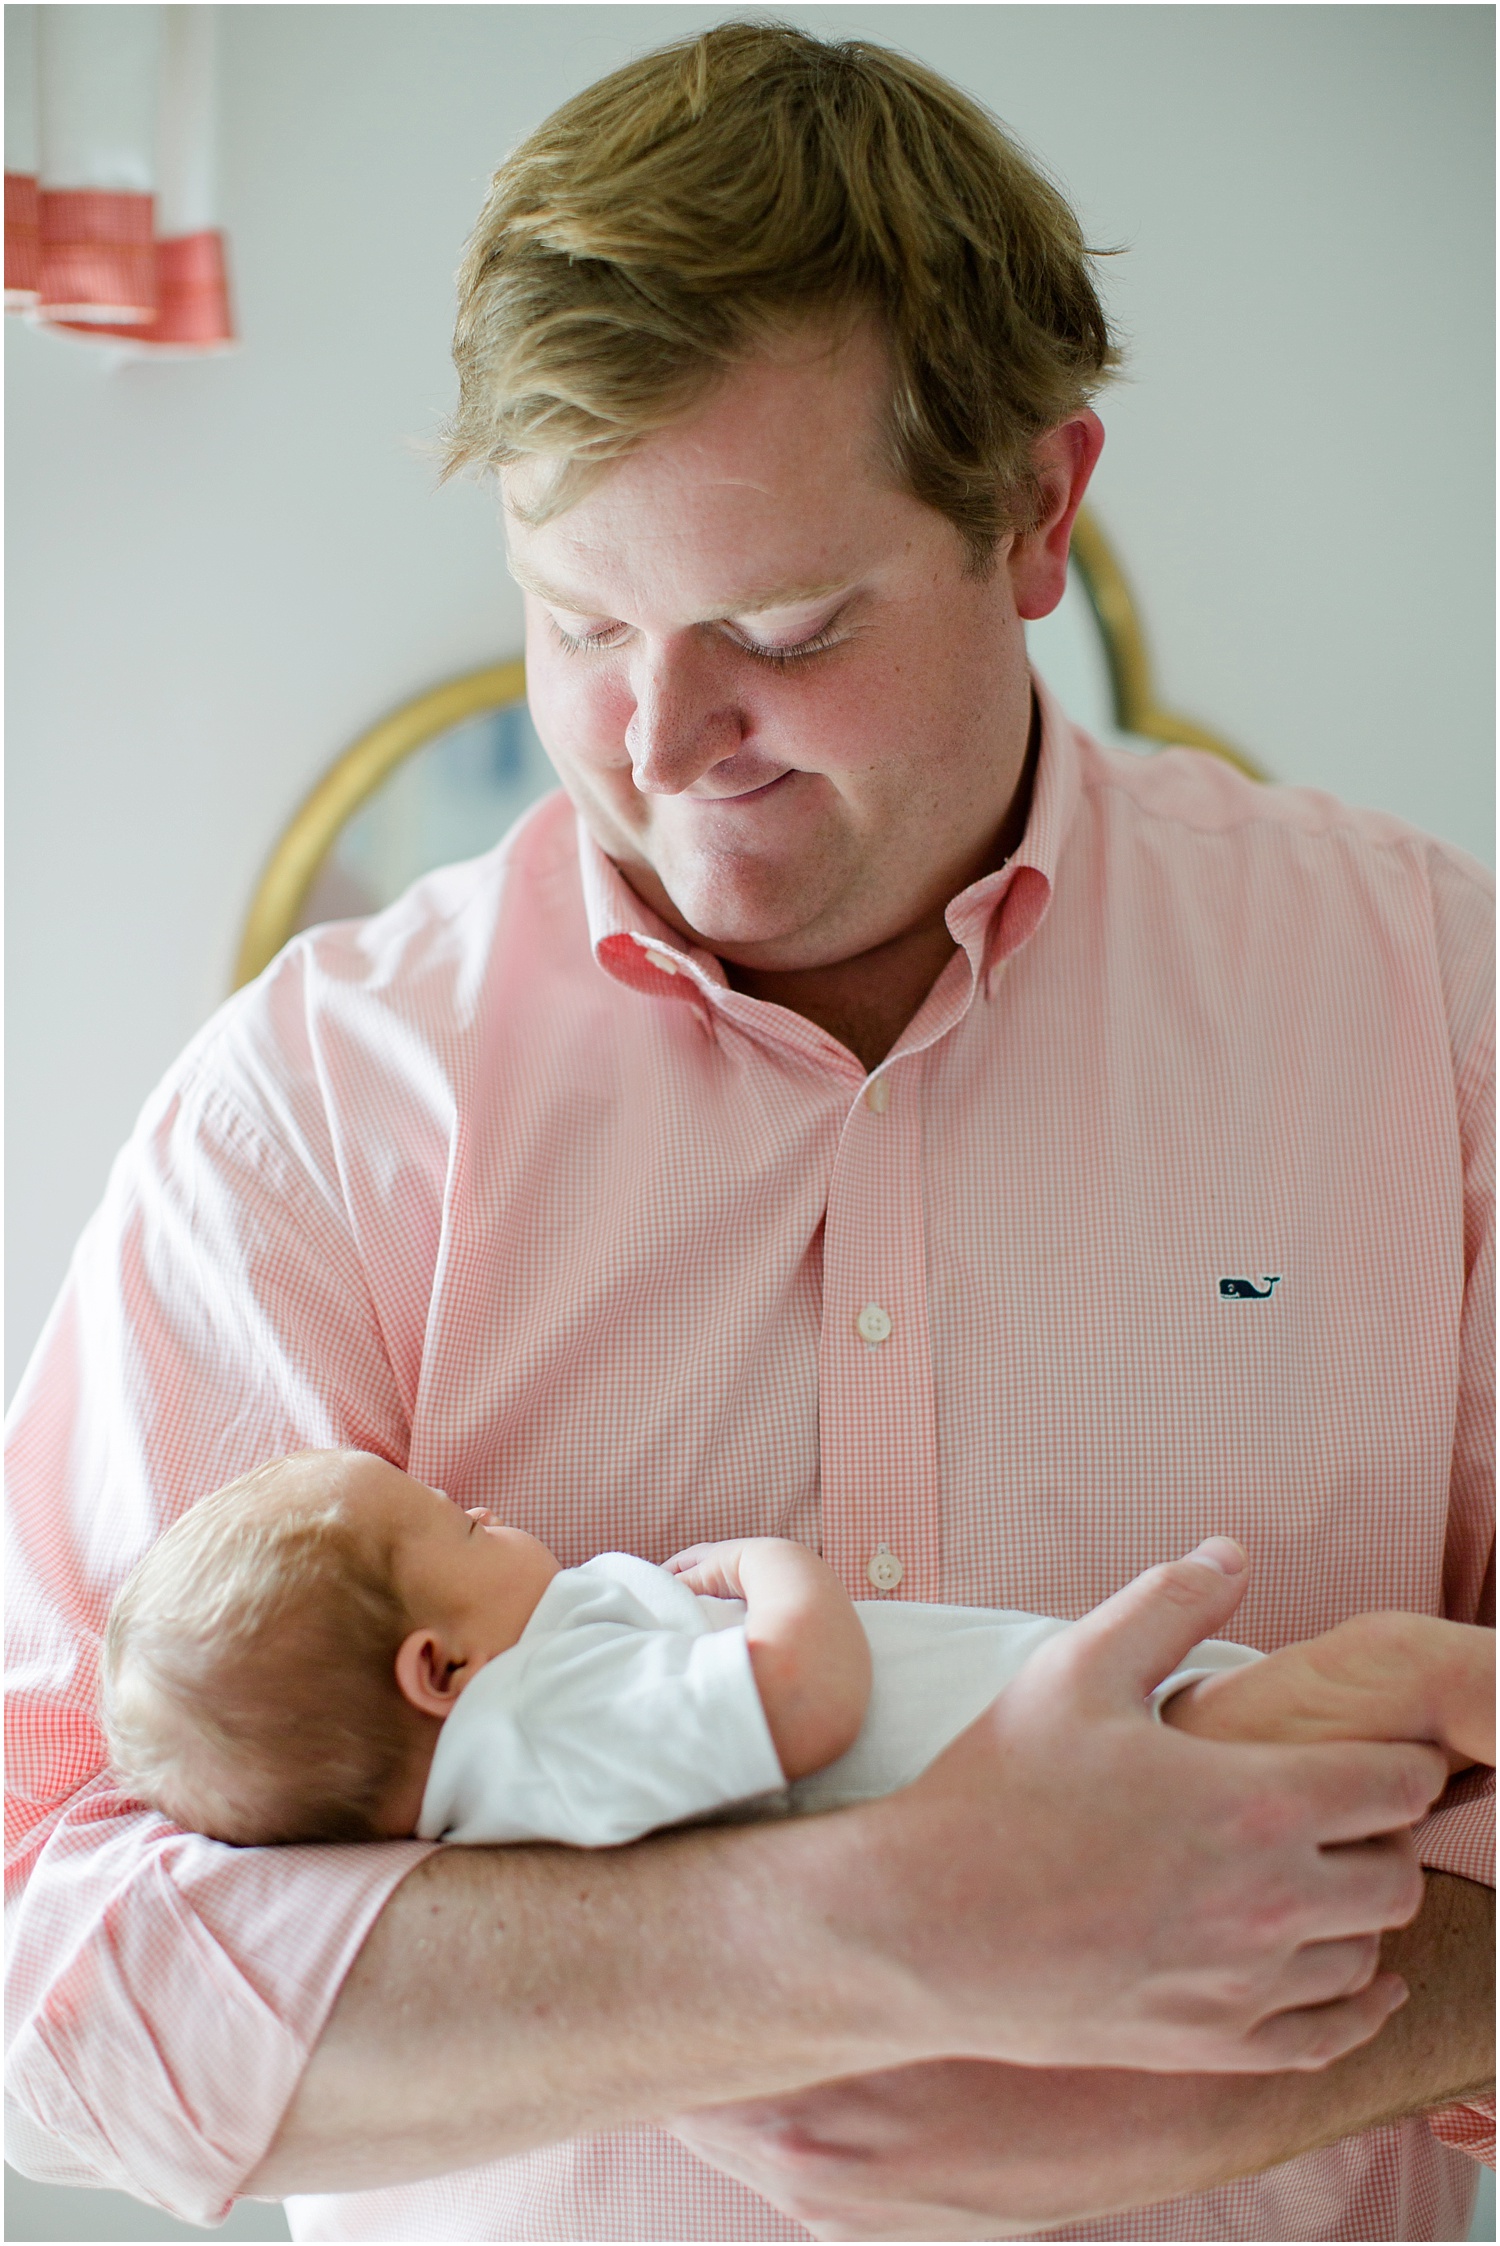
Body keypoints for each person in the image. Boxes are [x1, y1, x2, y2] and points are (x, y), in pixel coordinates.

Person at [5, 21, 1492, 2244]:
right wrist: (864, 1927)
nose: (664, 735)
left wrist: (1298, 2066)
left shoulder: (1427, 1005)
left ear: (1036, 513)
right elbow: (51, 1971)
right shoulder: (309, 1112)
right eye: (578, 617)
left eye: (783, 628)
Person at [98, 1449, 1494, 1856]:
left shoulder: (524, 1767)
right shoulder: (543, 1714)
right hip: (1129, 1765)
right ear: (439, 1670)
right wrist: (772, 1565)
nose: (492, 1511)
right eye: (459, 1524)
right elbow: (809, 1699)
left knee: (1402, 1746)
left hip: (1112, 1773)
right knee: (1399, 1671)